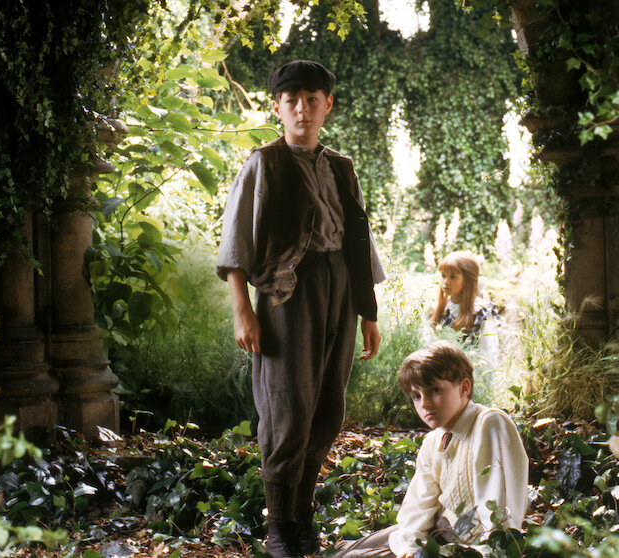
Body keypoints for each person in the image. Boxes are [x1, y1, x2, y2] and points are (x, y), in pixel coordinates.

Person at [215, 59, 385, 558]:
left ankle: (302, 518)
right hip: (287, 294)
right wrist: (243, 311)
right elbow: (236, 244)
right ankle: (279, 529)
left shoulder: (341, 167)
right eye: (292, 100)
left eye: (312, 100)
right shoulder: (263, 164)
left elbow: (358, 241)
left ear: (327, 105)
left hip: (340, 291)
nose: (302, 109)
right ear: (277, 107)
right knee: (288, 409)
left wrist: (368, 312)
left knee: (327, 409)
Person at [332, 341, 528, 557]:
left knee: (351, 557)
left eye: (435, 390)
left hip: (465, 544)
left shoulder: (489, 423)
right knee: (341, 551)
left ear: (464, 388)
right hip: (435, 527)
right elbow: (419, 504)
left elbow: (499, 508)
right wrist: (410, 546)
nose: (424, 404)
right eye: (416, 396)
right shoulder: (433, 441)